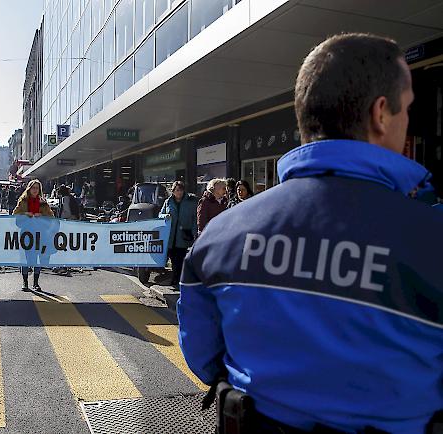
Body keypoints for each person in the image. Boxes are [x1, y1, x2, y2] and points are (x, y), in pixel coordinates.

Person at [178, 33, 443, 434]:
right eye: (407, 110)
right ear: (381, 113)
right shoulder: (430, 238)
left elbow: (202, 354)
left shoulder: (221, 234)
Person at [12, 179, 54, 291]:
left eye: (37, 188)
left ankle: (35, 283)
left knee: (37, 258)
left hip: (40, 234)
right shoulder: (23, 201)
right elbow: (15, 214)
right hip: (26, 233)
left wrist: (42, 215)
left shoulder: (43, 202)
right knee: (25, 258)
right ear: (29, 189)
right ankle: (25, 282)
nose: (35, 190)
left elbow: (51, 217)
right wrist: (25, 214)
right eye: (33, 188)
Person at [158, 181, 197, 287]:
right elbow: (160, 215)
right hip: (171, 235)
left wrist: (194, 232)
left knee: (180, 258)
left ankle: (177, 279)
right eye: (177, 190)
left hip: (183, 234)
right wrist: (165, 216)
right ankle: (176, 278)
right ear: (173, 191)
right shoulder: (168, 201)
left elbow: (195, 218)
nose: (179, 192)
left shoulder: (190, 201)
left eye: (181, 190)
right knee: (173, 258)